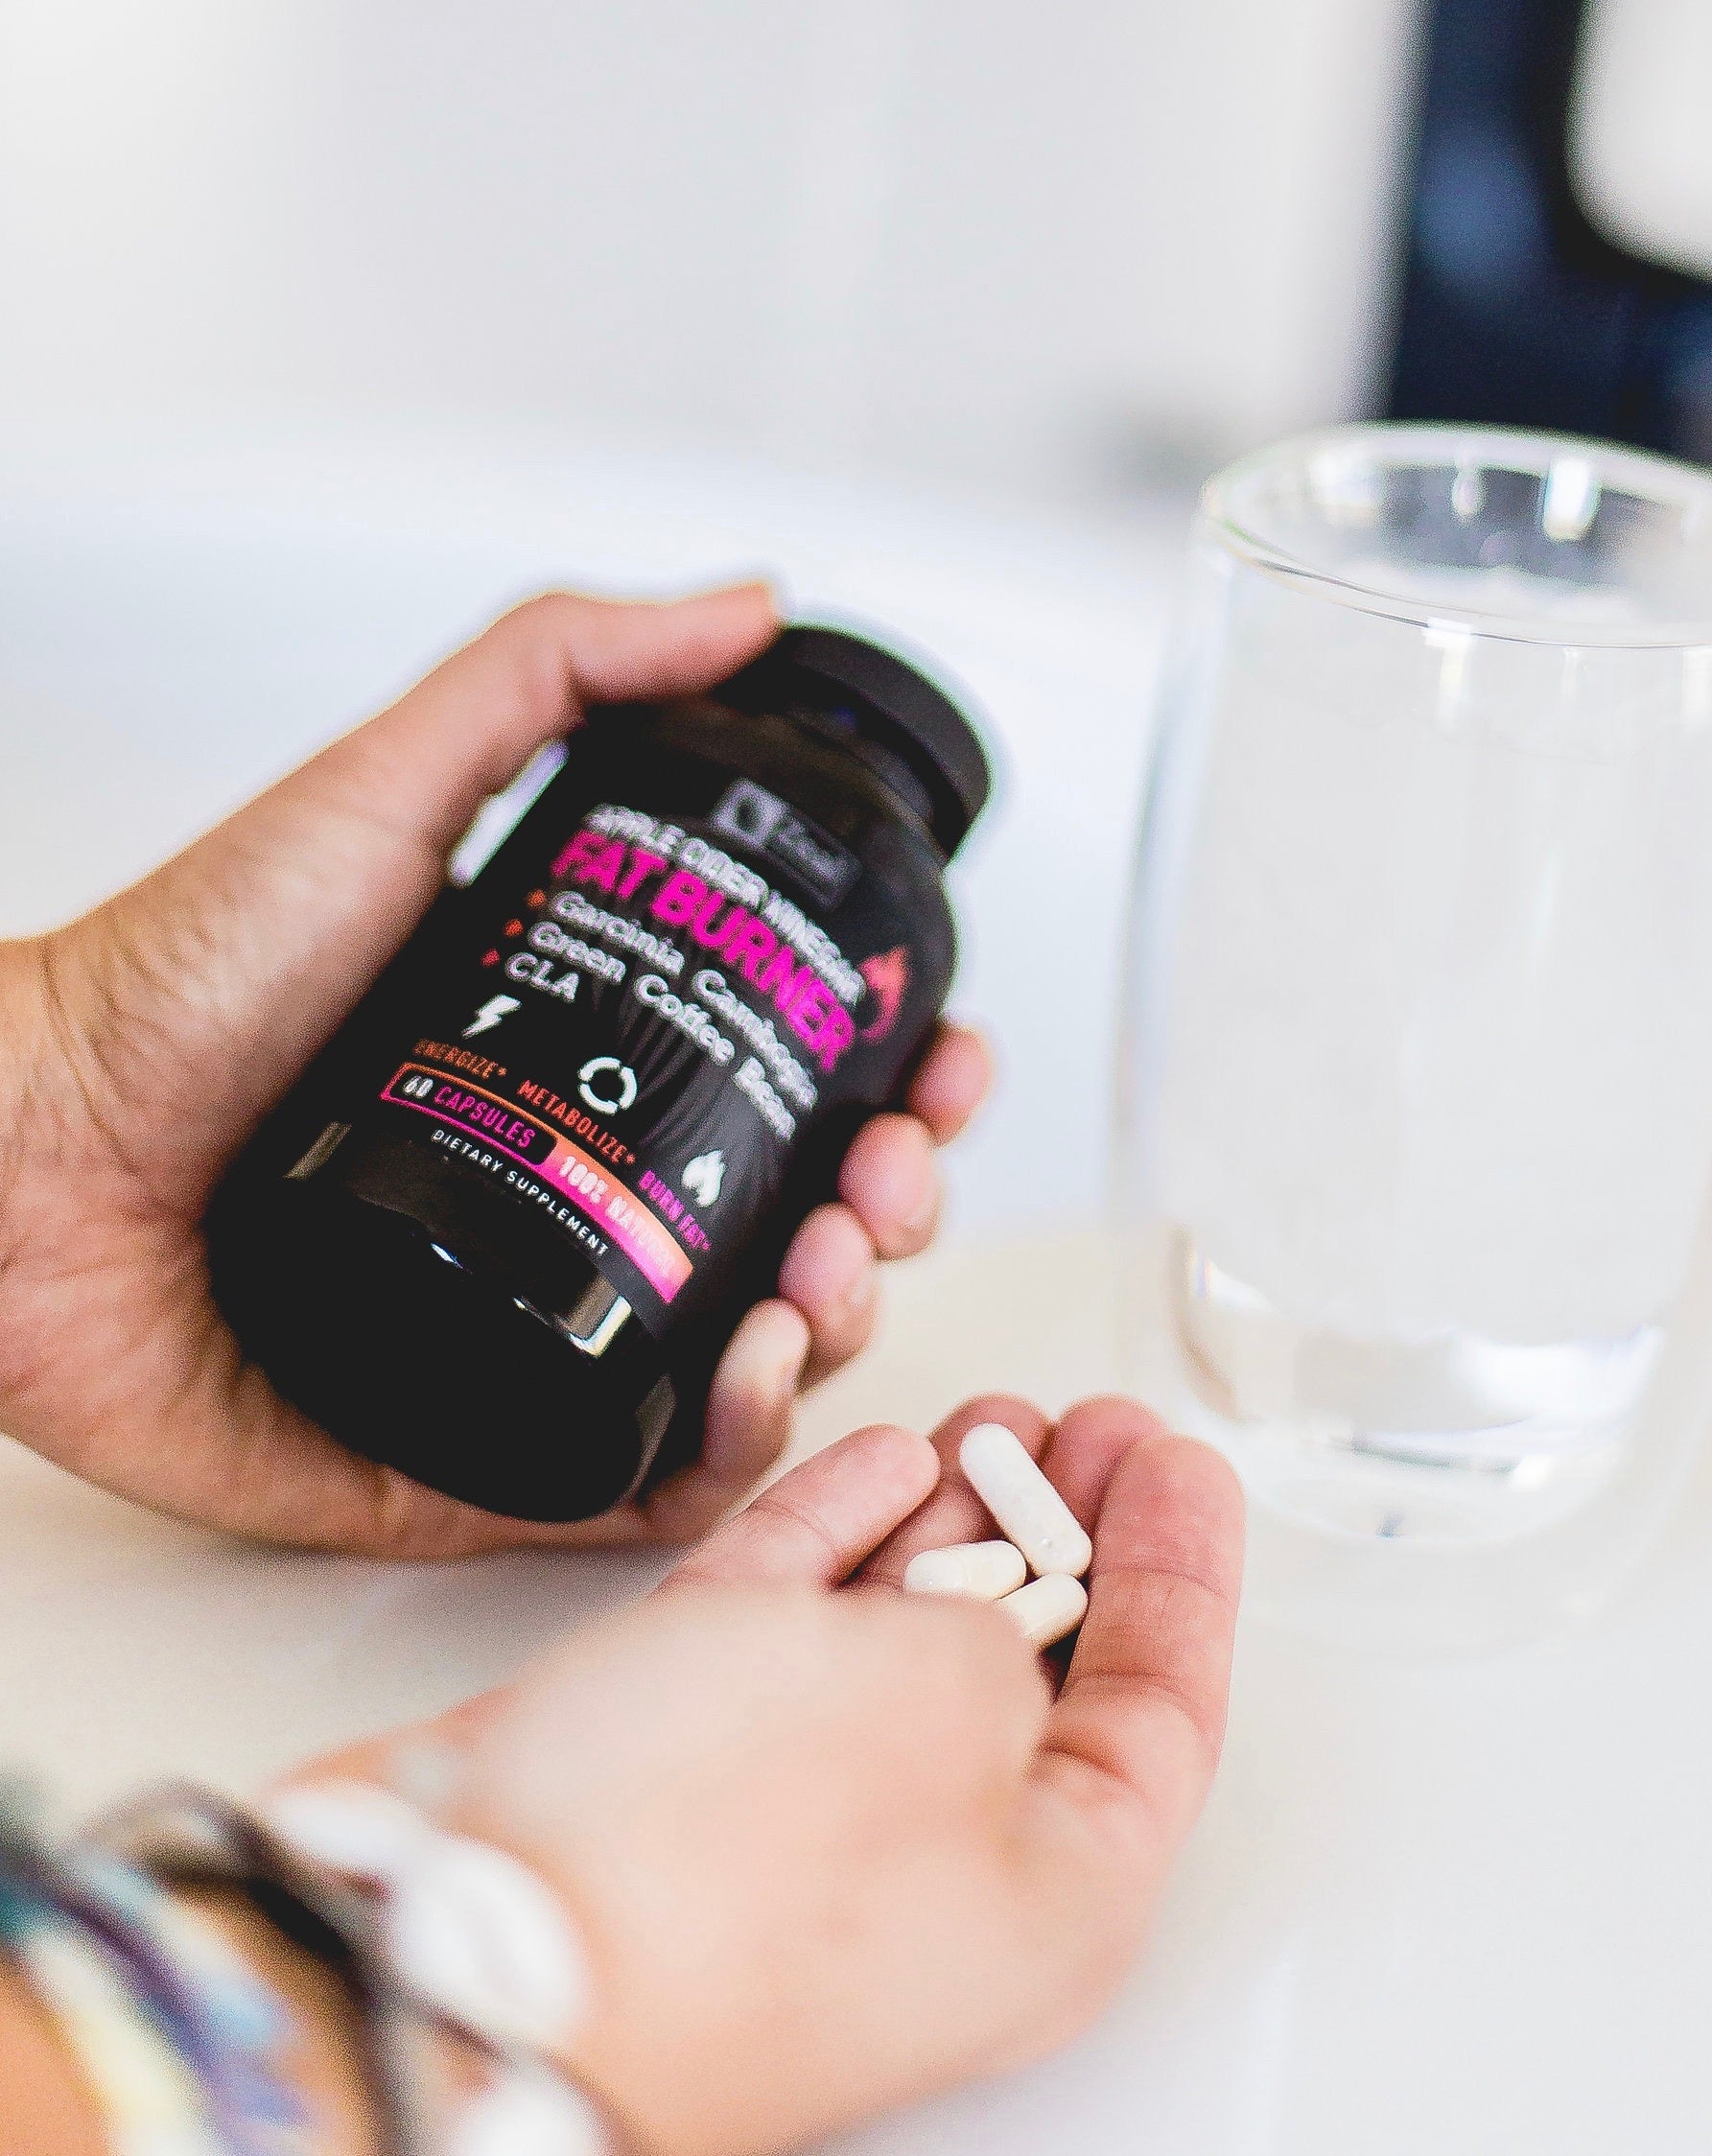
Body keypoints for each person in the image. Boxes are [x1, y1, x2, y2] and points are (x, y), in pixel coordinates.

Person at [0, 590, 1246, 2155]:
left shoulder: (886, 911)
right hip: (386, 1230)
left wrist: (43, 1138)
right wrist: (579, 1964)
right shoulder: (708, 788)